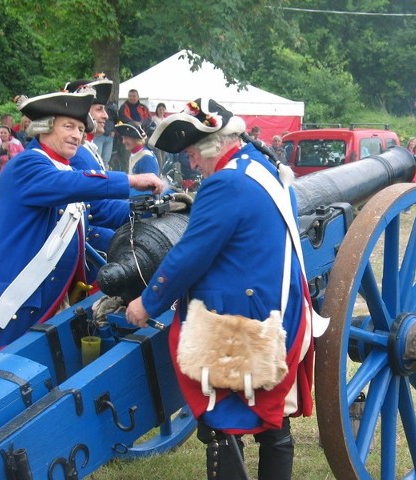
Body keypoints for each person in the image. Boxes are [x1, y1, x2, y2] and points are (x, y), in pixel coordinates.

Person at [125, 98, 317, 480]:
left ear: (214, 146)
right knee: (273, 421)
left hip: (239, 322)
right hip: (280, 309)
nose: (192, 163)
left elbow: (189, 256)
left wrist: (147, 303)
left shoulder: (226, 183)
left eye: (194, 153)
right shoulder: (263, 167)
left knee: (220, 420)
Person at [0, 89, 163, 360]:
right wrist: (130, 181)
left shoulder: (63, 168)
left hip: (50, 297)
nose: (76, 135)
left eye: (80, 129)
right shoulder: (28, 164)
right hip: (15, 300)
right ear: (44, 127)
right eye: (68, 126)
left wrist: (152, 209)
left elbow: (98, 212)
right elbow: (72, 184)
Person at [64, 75, 131, 282]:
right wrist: (142, 208)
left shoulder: (87, 150)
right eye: (99, 109)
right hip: (87, 245)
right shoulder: (79, 154)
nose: (105, 116)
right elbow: (96, 210)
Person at [114, 121, 159, 197]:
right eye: (122, 138)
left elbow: (149, 189)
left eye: (126, 138)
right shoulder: (135, 154)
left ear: (135, 139)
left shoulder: (146, 158)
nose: (123, 141)